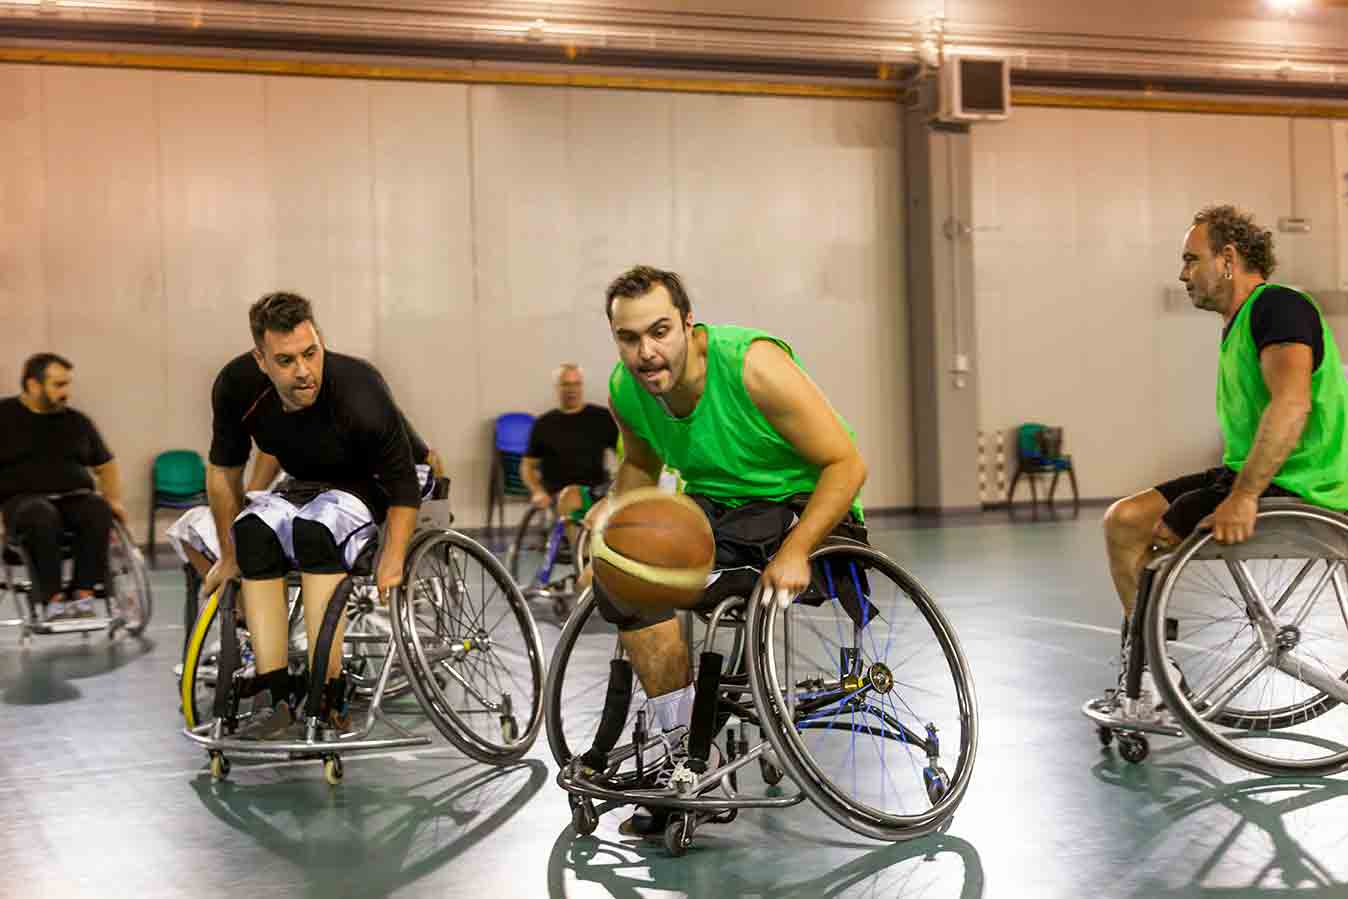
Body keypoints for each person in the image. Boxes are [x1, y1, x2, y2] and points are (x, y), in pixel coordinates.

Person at [590, 265, 867, 836]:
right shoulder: (625, 388)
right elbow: (641, 462)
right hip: (716, 513)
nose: (645, 352)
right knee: (623, 577)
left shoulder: (753, 366)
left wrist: (796, 550)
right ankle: (688, 754)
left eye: (659, 331)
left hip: (801, 506)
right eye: (629, 338)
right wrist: (612, 515)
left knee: (709, 575)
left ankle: (691, 750)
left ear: (689, 325)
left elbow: (847, 464)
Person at [1102, 204, 1348, 710]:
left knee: (1160, 532)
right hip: (1252, 475)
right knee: (1125, 521)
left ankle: (1146, 675)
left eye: (1192, 259)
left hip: (1304, 488)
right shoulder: (1239, 325)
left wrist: (1245, 496)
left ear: (1229, 259)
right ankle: (1151, 664)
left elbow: (1293, 402)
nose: (1182, 273)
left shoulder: (1278, 307)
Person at [199, 292, 425, 737]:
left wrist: (393, 558)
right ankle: (276, 694)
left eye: (310, 353)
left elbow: (403, 486)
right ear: (260, 360)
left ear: (320, 341)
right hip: (310, 481)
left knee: (316, 531)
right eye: (285, 361)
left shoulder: (359, 388)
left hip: (379, 479)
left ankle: (329, 691)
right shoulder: (236, 386)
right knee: (253, 533)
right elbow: (224, 472)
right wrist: (229, 558)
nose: (303, 371)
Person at [0, 353, 127, 622]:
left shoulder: (77, 421)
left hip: (73, 498)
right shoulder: (5, 416)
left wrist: (114, 500)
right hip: (22, 502)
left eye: (67, 384)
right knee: (41, 515)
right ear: (34, 385)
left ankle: (84, 595)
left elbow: (106, 464)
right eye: (58, 385)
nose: (66, 392)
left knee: (97, 508)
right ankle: (52, 600)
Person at [521, 363, 619, 540]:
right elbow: (527, 466)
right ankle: (582, 554)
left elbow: (624, 452)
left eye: (576, 384)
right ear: (557, 388)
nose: (572, 390)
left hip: (596, 491)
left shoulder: (601, 418)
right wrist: (537, 490)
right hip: (558, 494)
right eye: (566, 385)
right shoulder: (544, 424)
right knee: (572, 496)